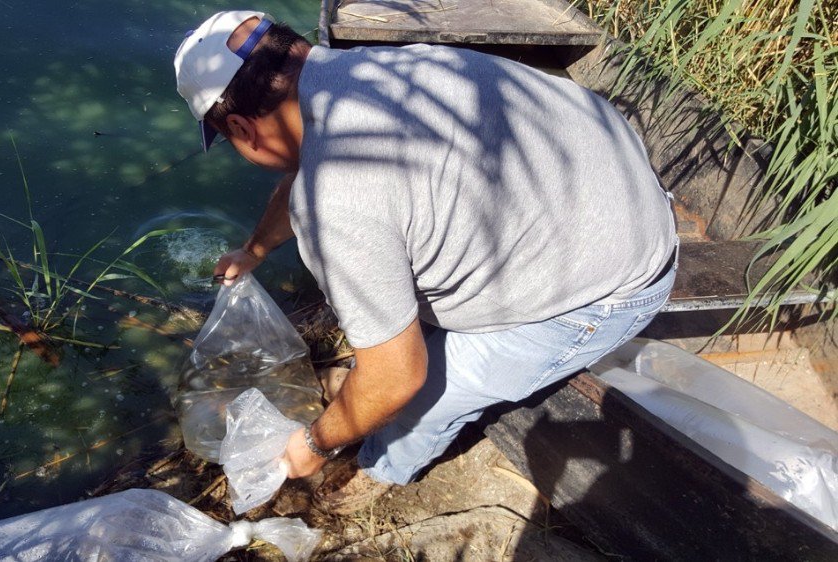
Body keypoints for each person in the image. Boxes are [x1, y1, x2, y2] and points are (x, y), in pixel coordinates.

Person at [173, 10, 677, 514]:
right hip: (613, 181)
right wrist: (255, 250)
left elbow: (399, 378)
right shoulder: (362, 68)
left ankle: (380, 468)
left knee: (424, 396)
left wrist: (313, 446)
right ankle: (370, 384)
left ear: (241, 126)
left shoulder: (336, 202)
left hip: (614, 286)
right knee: (393, 334)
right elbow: (313, 168)